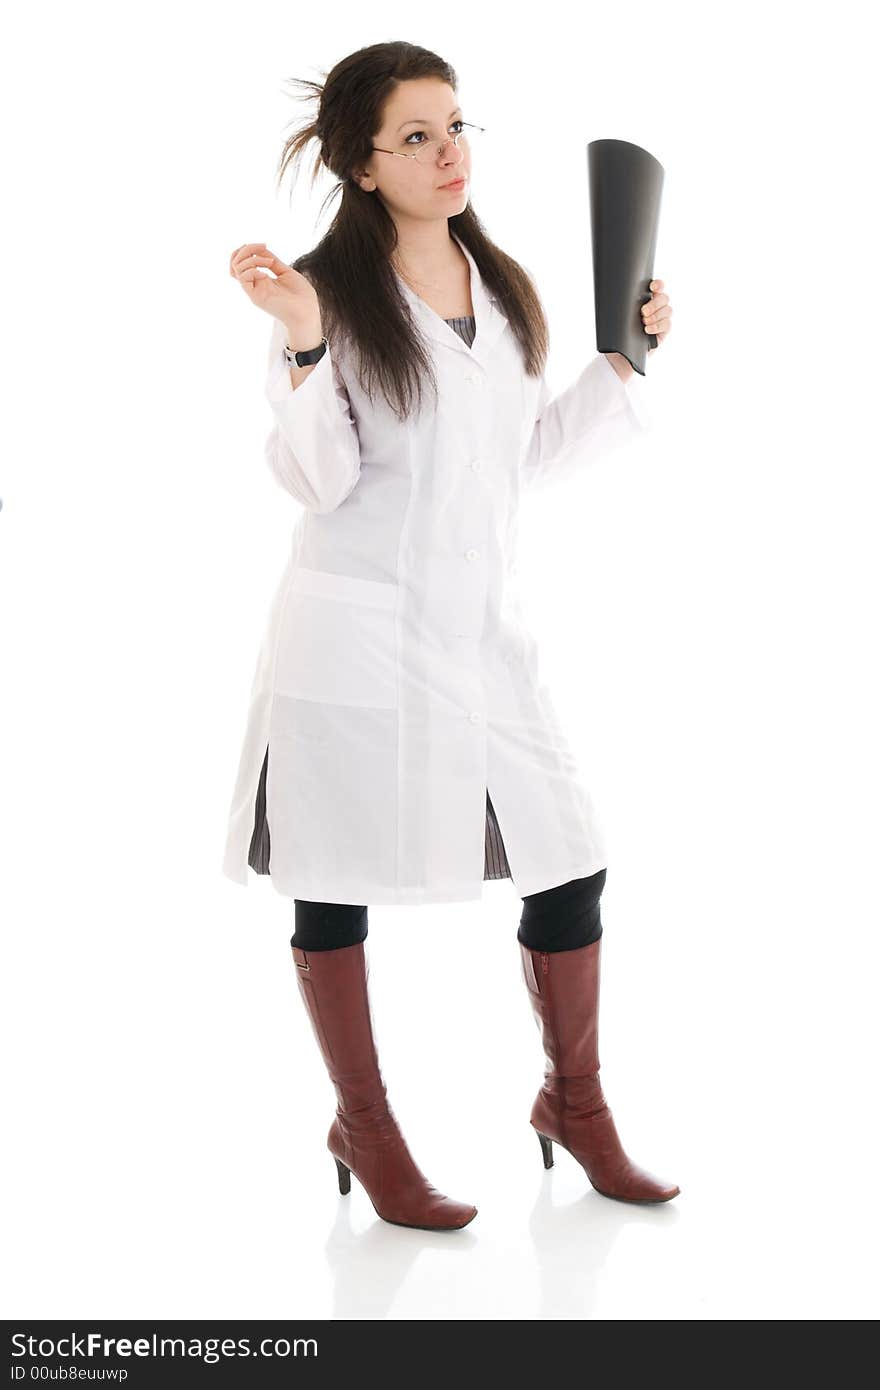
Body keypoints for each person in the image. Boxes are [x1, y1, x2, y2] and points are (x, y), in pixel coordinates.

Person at [224, 41, 678, 1231]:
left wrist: (627, 357)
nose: (448, 154)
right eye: (415, 137)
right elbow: (319, 479)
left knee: (568, 849)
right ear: (360, 167)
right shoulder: (322, 293)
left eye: (457, 126)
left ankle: (572, 1102)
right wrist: (303, 346)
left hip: (480, 635)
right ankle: (364, 1126)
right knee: (330, 884)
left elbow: (519, 459)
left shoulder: (502, 285)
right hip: (353, 637)